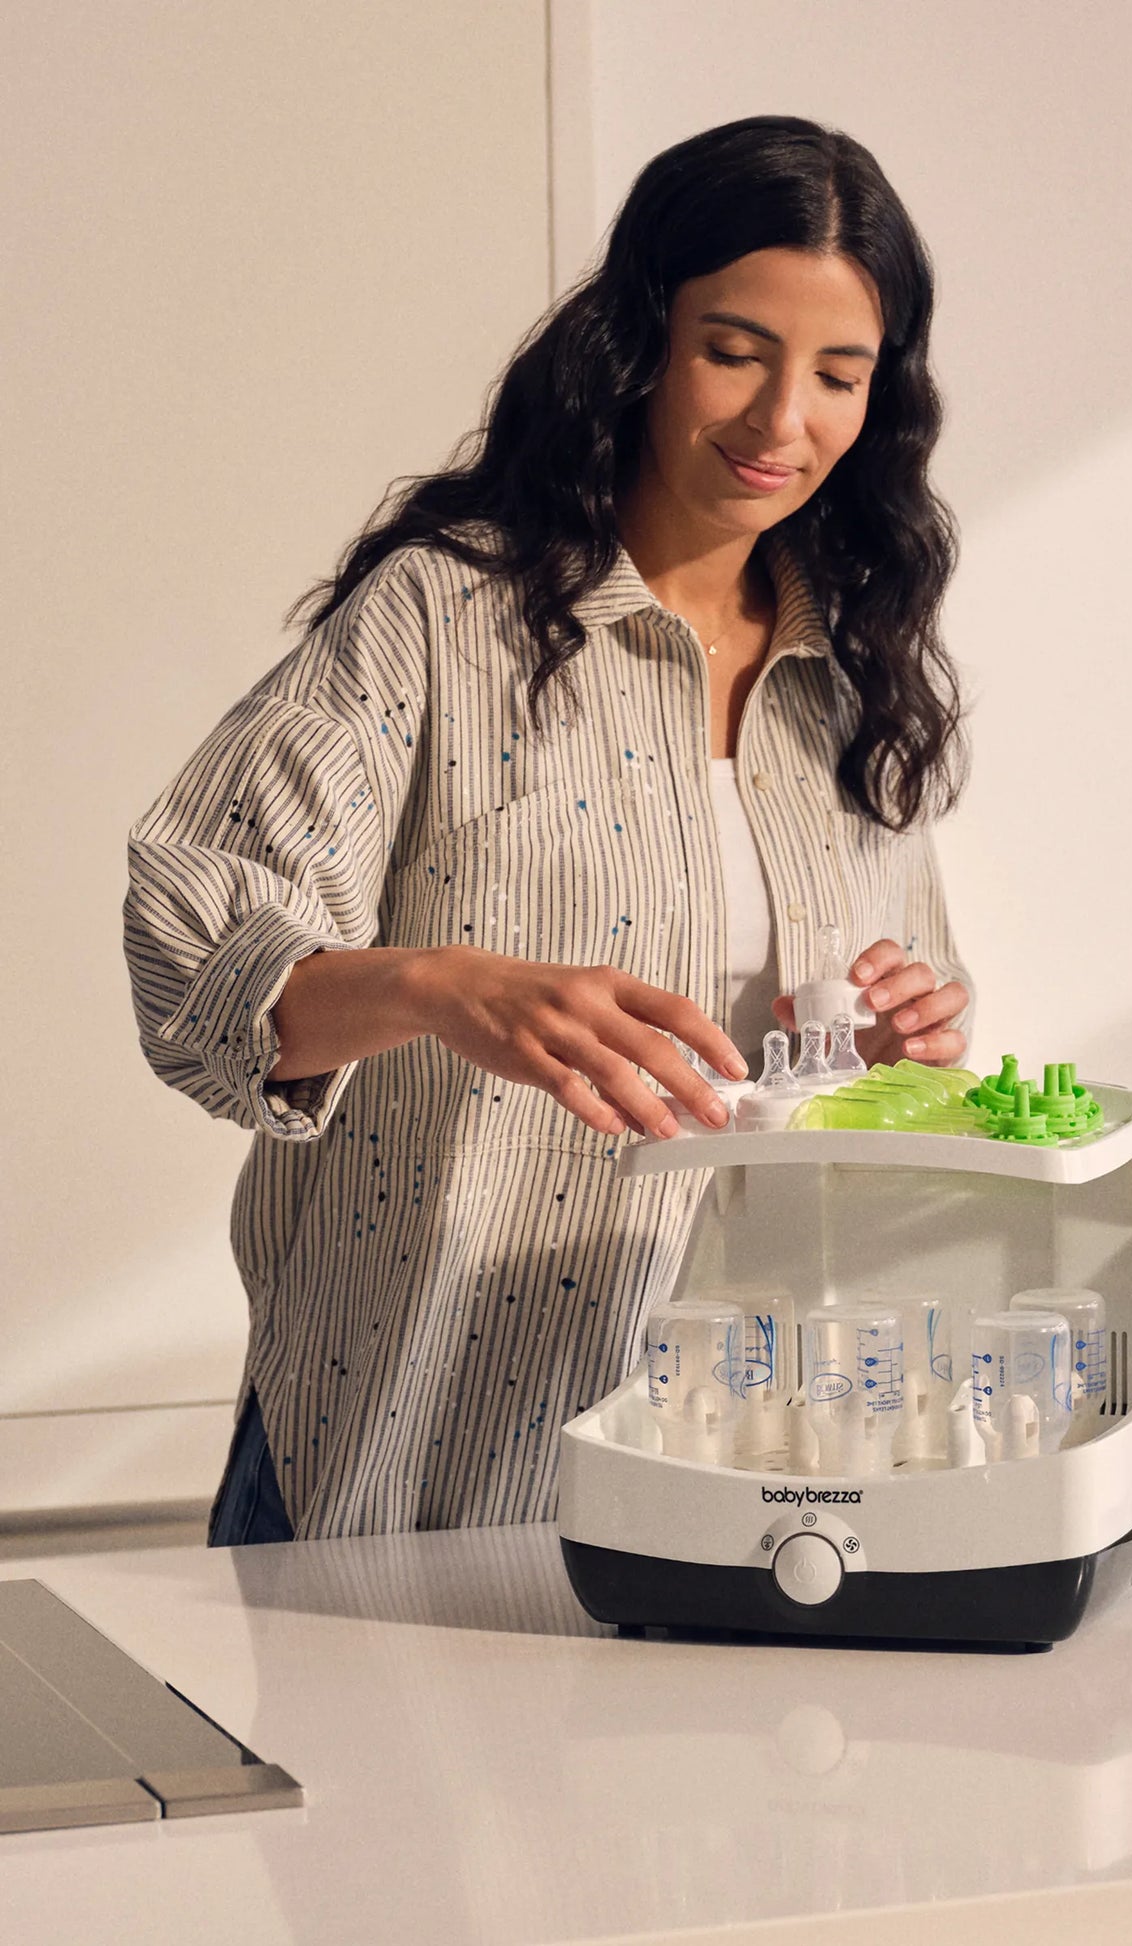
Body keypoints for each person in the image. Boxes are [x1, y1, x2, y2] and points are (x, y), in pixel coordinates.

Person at [123, 116, 973, 1545]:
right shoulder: (442, 616)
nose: (783, 421)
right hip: (398, 1465)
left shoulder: (851, 677)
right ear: (641, 342)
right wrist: (438, 986)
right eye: (735, 351)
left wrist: (897, 1055)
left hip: (727, 1471)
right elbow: (194, 965)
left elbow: (839, 1091)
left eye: (839, 374)